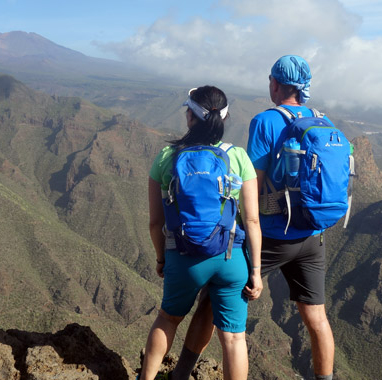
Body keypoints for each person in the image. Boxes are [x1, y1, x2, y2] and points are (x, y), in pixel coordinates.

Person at [174, 56, 336, 380]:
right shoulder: (324, 121)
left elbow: (253, 184)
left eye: (270, 80)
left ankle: (180, 373)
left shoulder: (265, 122)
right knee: (316, 318)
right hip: (311, 234)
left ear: (276, 83)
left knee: (213, 297)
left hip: (274, 235)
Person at [141, 85, 263, 380]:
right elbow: (253, 221)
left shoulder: (167, 156)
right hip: (230, 258)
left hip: (182, 258)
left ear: (191, 117)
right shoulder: (237, 157)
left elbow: (155, 223)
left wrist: (161, 259)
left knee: (168, 319)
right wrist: (255, 271)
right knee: (234, 339)